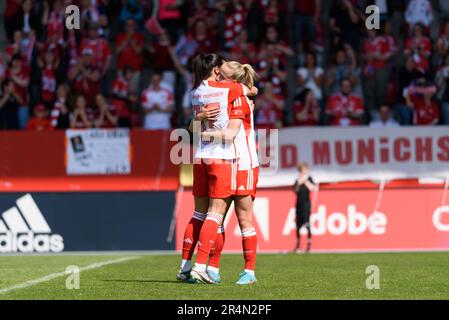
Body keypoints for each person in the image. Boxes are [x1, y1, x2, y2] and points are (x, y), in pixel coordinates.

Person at [177, 53, 256, 285]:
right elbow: (252, 90)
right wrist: (247, 89)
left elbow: (191, 127)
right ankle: (203, 266)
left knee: (199, 214)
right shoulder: (231, 90)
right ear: (216, 70)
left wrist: (198, 121)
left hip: (201, 156)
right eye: (220, 66)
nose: (222, 69)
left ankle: (186, 267)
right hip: (223, 157)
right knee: (217, 215)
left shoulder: (194, 93)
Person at [293, 162, 316, 253]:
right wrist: (299, 182)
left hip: (306, 204)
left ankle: (308, 245)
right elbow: (295, 190)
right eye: (302, 170)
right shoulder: (297, 180)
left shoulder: (309, 179)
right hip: (299, 205)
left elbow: (312, 188)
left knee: (307, 224)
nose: (303, 172)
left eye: (305, 170)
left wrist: (305, 181)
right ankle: (298, 246)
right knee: (298, 225)